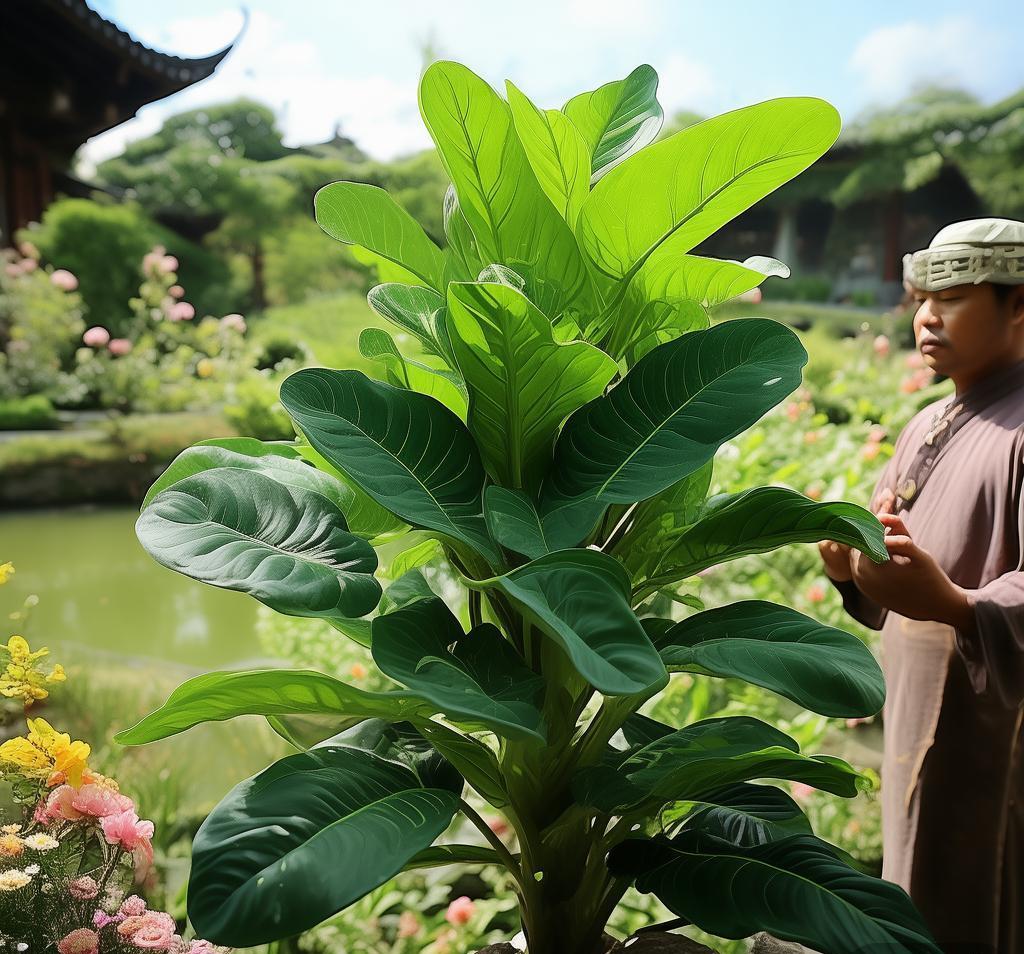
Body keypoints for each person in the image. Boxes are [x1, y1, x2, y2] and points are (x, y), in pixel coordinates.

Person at [819, 217, 1024, 953]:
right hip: (914, 707)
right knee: (916, 876)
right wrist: (850, 568)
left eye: (956, 296)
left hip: (995, 727)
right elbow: (895, 577)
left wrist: (959, 605)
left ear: (1020, 306)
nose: (928, 316)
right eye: (921, 298)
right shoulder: (928, 421)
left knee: (978, 893)